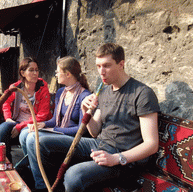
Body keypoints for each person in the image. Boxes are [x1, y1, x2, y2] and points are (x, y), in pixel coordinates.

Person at [26, 43, 160, 192]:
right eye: (98, 66)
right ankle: (45, 188)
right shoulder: (104, 91)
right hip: (100, 144)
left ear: (121, 64)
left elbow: (152, 144)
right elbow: (94, 131)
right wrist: (85, 110)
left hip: (124, 159)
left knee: (73, 175)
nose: (101, 72)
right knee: (37, 141)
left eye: (106, 66)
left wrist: (116, 158)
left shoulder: (142, 93)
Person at [16, 56, 91, 190]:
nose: (55, 74)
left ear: (67, 74)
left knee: (33, 138)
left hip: (72, 137)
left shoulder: (84, 95)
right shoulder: (61, 92)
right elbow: (54, 120)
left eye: (58, 72)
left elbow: (82, 130)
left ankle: (41, 185)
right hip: (58, 132)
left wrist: (54, 130)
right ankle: (38, 170)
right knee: (25, 133)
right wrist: (43, 125)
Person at [0, 57, 52, 162]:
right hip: (17, 121)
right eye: (31, 70)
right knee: (3, 129)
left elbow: (43, 115)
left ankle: (29, 165)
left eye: (37, 70)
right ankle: (5, 161)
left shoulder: (42, 87)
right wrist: (8, 118)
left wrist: (20, 126)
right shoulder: (16, 87)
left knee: (25, 133)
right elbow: (5, 101)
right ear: (22, 73)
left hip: (34, 123)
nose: (35, 73)